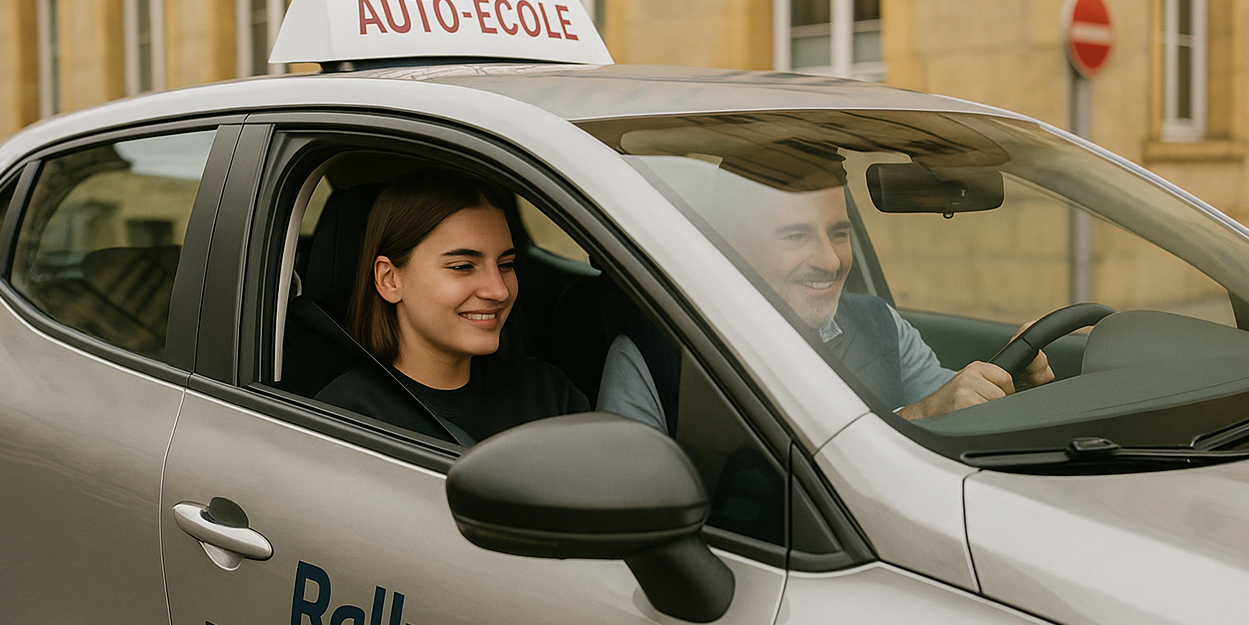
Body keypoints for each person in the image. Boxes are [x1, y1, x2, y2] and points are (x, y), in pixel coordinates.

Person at [597, 182, 1052, 432]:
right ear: (734, 247)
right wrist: (919, 416)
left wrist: (1010, 387)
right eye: (795, 236)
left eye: (839, 232)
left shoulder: (881, 325)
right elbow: (625, 520)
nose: (832, 260)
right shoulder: (649, 358)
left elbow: (953, 406)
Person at [318, 170, 588, 445]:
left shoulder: (550, 394)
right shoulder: (346, 420)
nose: (499, 290)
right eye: (462, 267)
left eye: (505, 265)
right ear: (389, 279)